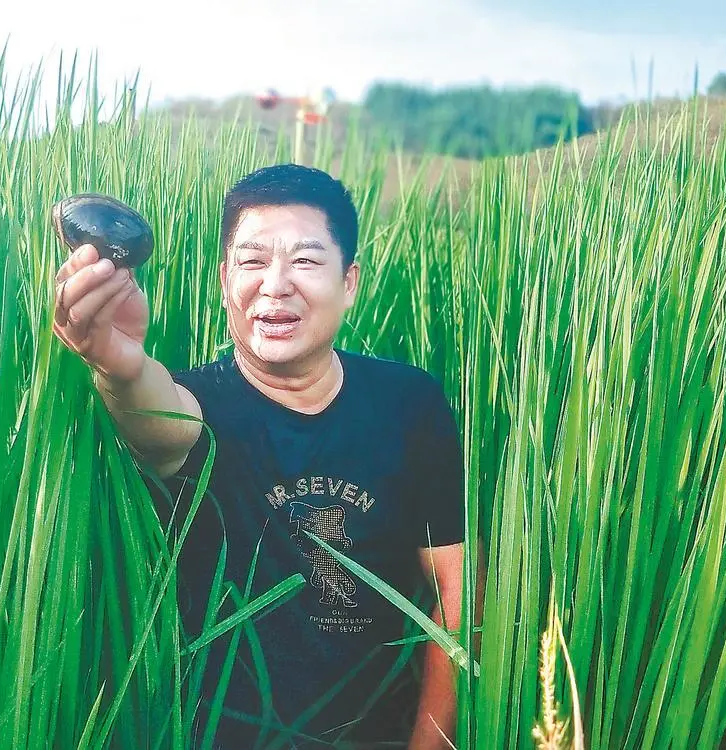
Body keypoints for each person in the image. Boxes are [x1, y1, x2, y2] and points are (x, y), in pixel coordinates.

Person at [53, 164, 469, 749]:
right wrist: (115, 364)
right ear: (224, 281)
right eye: (252, 261)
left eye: (304, 260)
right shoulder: (199, 405)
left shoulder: (409, 404)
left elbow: (455, 594)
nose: (275, 284)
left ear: (349, 282)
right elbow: (158, 422)